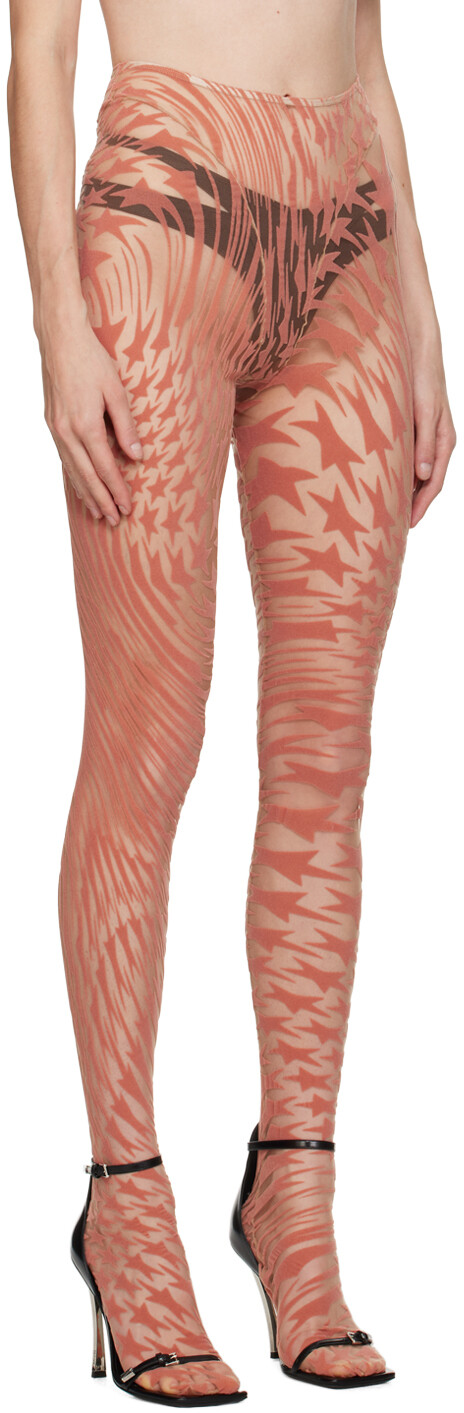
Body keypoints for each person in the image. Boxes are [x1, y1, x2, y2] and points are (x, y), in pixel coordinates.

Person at [7, 0, 456, 1403]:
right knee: (148, 743)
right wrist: (57, 321)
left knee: (326, 757)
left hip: (351, 240)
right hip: (164, 221)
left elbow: (370, 46)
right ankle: (126, 1206)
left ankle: (296, 1200)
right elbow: (37, 52)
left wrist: (424, 318)